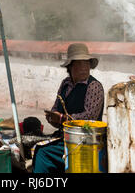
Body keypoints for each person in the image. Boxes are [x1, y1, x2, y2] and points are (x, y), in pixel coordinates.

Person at [32, 43, 104, 174]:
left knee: (42, 153)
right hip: (64, 136)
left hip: (84, 140)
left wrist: (62, 119)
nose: (84, 68)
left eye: (86, 63)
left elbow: (90, 117)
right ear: (70, 67)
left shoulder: (93, 86)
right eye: (79, 64)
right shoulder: (65, 84)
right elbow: (56, 108)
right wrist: (52, 117)